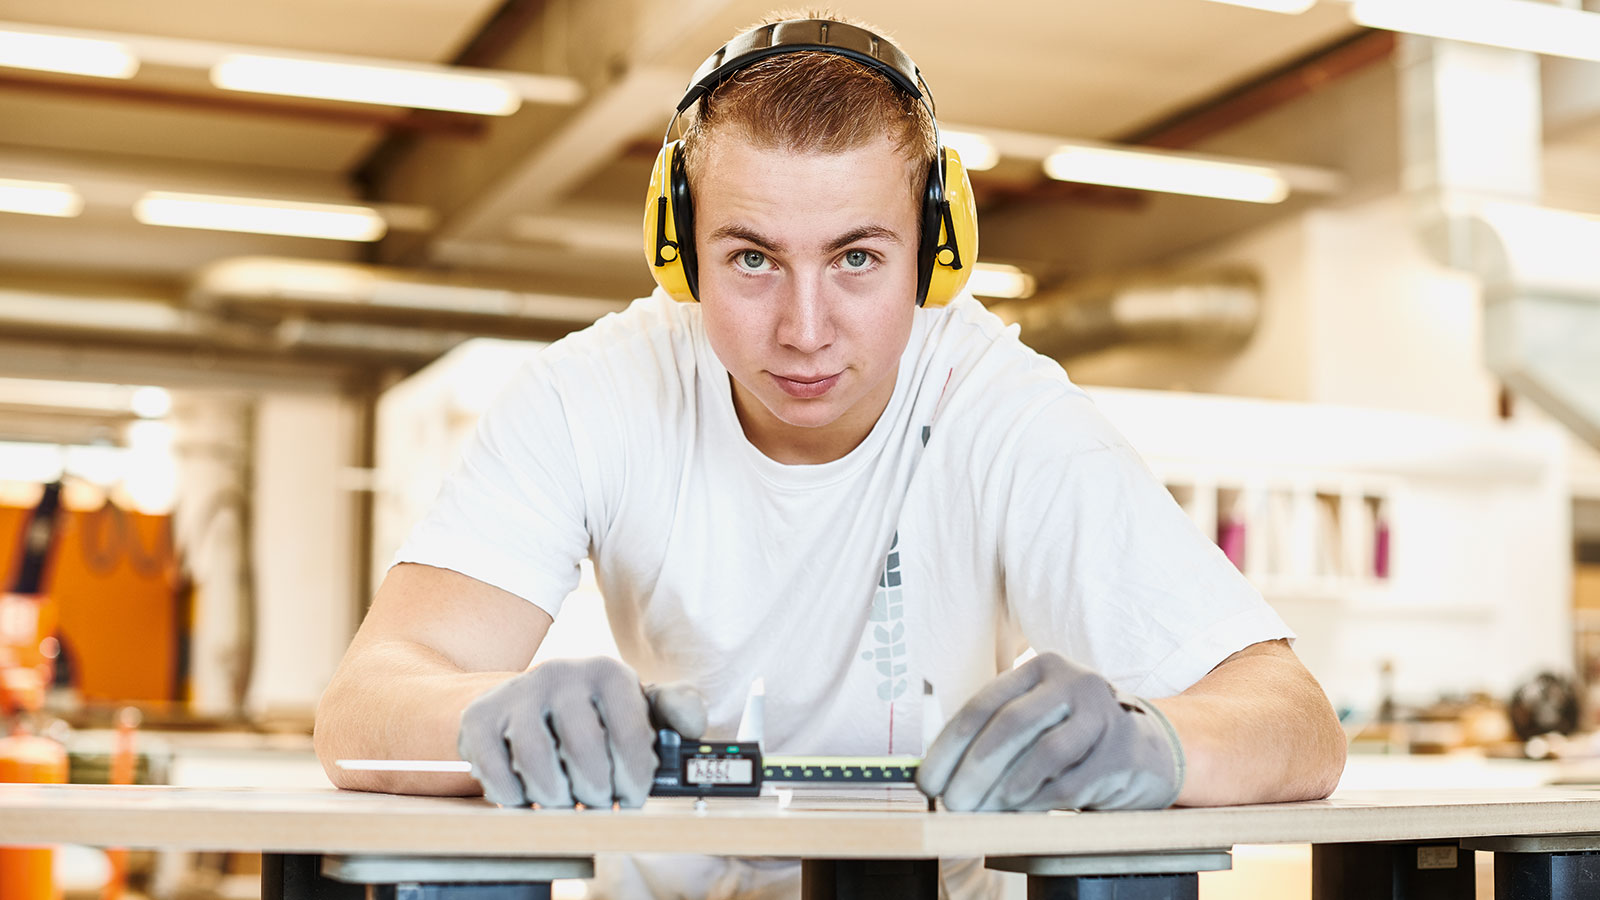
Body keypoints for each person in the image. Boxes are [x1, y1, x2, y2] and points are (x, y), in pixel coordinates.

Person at [314, 11, 1347, 899]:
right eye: (752, 258)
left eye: (857, 257)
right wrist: (486, 715)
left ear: (937, 251)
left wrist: (1148, 742)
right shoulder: (593, 394)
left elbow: (1294, 721)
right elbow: (365, 706)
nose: (805, 329)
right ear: (678, 247)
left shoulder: (999, 407)